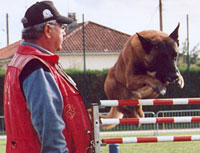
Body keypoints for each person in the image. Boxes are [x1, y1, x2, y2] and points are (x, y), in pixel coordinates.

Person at [3, 1, 93, 153]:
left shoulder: (18, 63)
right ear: (47, 30)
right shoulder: (36, 67)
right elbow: (50, 128)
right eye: (62, 27)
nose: (64, 32)